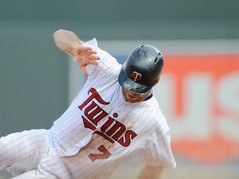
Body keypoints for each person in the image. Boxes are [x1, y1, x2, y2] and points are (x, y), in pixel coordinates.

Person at [0, 30, 176, 178]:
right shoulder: (108, 69)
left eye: (138, 88)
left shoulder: (153, 121)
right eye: (128, 82)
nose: (131, 91)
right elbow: (60, 35)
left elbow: (158, 165)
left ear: (156, 81)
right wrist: (76, 48)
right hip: (47, 142)